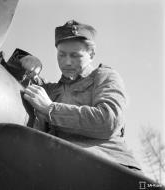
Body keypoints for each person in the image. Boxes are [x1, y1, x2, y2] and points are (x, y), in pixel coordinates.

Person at [22, 20, 141, 172]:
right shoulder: (50, 90)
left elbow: (109, 120)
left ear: (91, 54)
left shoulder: (104, 76)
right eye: (61, 55)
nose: (67, 62)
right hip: (62, 168)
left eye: (75, 55)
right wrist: (25, 62)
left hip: (112, 169)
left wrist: (50, 108)